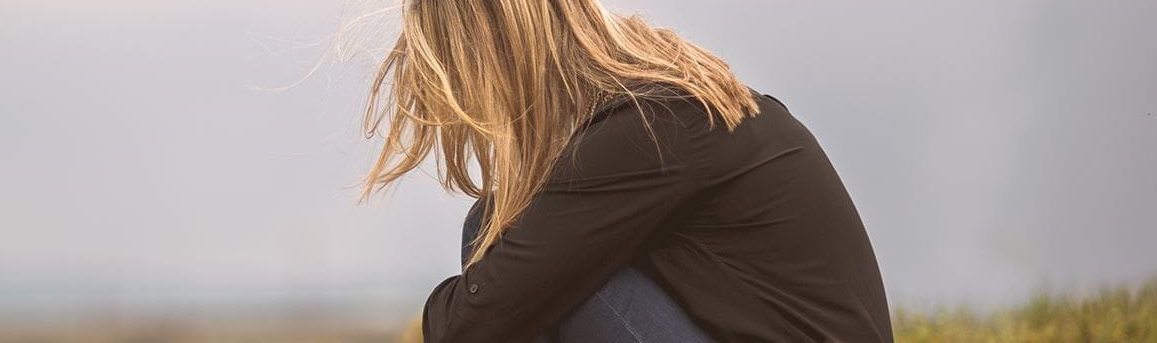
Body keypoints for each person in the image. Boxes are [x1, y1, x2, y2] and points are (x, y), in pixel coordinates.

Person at [359, 1, 893, 342]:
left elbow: (470, 327)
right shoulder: (670, 108)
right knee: (528, 250)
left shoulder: (649, 128)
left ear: (496, 55)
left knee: (496, 228)